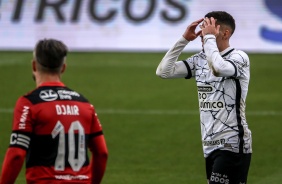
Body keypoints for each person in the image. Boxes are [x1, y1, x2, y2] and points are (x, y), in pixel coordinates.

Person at [156, 11, 252, 184]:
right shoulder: (200, 60)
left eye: (209, 30)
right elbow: (163, 71)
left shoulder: (239, 58)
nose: (203, 34)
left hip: (232, 142)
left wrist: (208, 39)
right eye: (203, 30)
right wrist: (184, 39)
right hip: (209, 144)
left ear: (225, 33)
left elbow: (218, 68)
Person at [0, 39, 108, 184]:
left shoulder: (29, 103)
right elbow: (102, 153)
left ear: (33, 65)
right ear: (63, 68)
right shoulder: (84, 103)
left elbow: (17, 155)